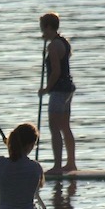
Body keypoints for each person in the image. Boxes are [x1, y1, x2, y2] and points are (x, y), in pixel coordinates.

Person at [37, 12, 77, 175]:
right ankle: (71, 163)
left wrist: (46, 89)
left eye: (42, 28)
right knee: (65, 126)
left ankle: (58, 166)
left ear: (48, 27)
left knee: (54, 127)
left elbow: (56, 72)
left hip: (59, 90)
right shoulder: (63, 42)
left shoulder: (53, 46)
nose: (41, 32)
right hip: (68, 88)